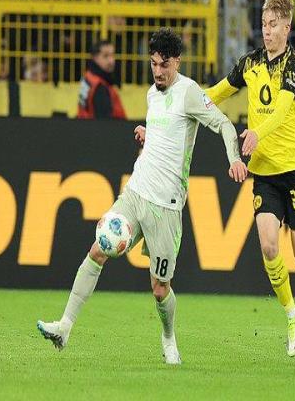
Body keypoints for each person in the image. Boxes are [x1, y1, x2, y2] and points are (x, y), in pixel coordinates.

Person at [37, 28, 248, 364]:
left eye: (164, 65)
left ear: (177, 62)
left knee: (160, 288)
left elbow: (223, 124)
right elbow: (167, 134)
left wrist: (234, 158)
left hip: (166, 206)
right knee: (98, 249)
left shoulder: (189, 92)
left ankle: (168, 338)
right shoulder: (152, 94)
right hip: (136, 192)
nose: (158, 71)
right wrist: (149, 136)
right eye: (153, 64)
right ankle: (64, 326)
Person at [205, 0, 295, 357]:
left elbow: (280, 112)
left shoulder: (294, 68)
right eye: (263, 24)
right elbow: (219, 91)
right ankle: (292, 314)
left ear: (287, 27)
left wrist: (256, 133)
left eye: (273, 25)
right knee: (268, 245)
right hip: (263, 173)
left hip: (294, 172)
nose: (266, 31)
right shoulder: (250, 63)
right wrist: (186, 103)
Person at [77, 40, 127, 119]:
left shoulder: (89, 76)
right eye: (105, 56)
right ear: (95, 58)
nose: (111, 61)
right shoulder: (100, 87)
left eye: (112, 55)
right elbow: (104, 122)